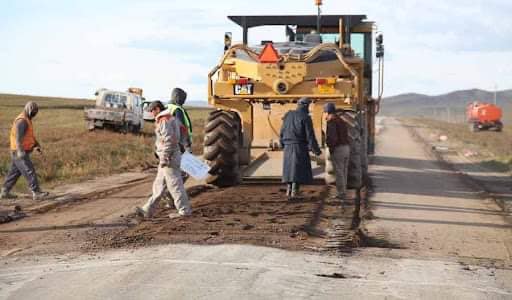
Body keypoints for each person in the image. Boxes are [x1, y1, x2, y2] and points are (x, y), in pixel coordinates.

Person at [135, 101, 192, 219]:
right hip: (168, 156)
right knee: (159, 185)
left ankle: (184, 211)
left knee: (175, 185)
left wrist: (165, 157)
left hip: (169, 157)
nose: (151, 113)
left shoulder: (164, 120)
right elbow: (182, 132)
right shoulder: (169, 118)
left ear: (156, 109)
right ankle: (147, 210)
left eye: (151, 110)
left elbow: (169, 141)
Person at [1, 102, 49, 201]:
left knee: (14, 173)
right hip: (19, 152)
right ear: (28, 109)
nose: (34, 114)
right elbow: (18, 138)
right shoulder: (22, 121)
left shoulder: (27, 119)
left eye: (35, 112)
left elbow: (29, 136)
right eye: (33, 112)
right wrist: (20, 151)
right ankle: (36, 192)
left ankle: (5, 192)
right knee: (30, 170)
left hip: (20, 151)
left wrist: (36, 144)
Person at [280, 97, 322, 199]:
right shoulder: (305, 117)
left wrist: (282, 144)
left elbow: (282, 132)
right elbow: (310, 136)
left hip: (287, 147)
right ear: (306, 106)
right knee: (297, 170)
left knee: (289, 169)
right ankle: (294, 192)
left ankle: (288, 191)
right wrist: (316, 150)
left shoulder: (288, 115)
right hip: (299, 147)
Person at [324, 103, 350, 200]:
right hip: (346, 148)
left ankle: (342, 193)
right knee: (344, 172)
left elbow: (333, 138)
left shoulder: (332, 121)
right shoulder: (341, 121)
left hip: (338, 149)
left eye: (325, 112)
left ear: (327, 112)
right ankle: (343, 191)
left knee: (339, 172)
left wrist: (330, 148)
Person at [168, 87, 192, 153]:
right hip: (180, 144)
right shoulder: (177, 109)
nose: (184, 102)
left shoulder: (167, 107)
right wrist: (187, 144)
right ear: (178, 97)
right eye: (183, 99)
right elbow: (182, 128)